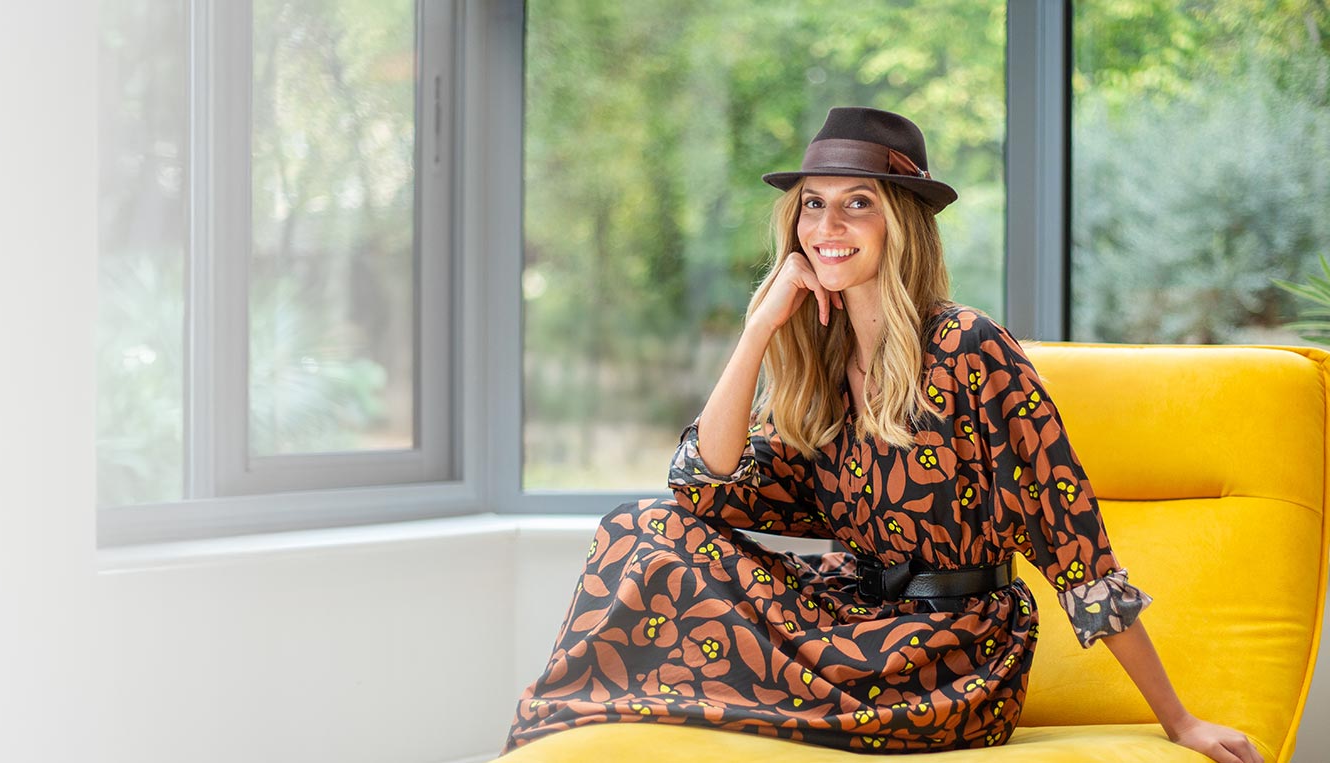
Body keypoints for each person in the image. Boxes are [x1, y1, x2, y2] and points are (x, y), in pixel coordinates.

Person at [500, 107, 1262, 762]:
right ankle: (552, 733)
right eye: (813, 204)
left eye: (856, 203)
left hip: (953, 658)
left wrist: (1180, 720)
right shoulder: (822, 365)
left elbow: (1075, 545)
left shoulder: (968, 348)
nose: (826, 228)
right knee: (640, 528)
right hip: (851, 622)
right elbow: (702, 486)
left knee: (656, 607)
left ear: (900, 222)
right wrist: (759, 328)